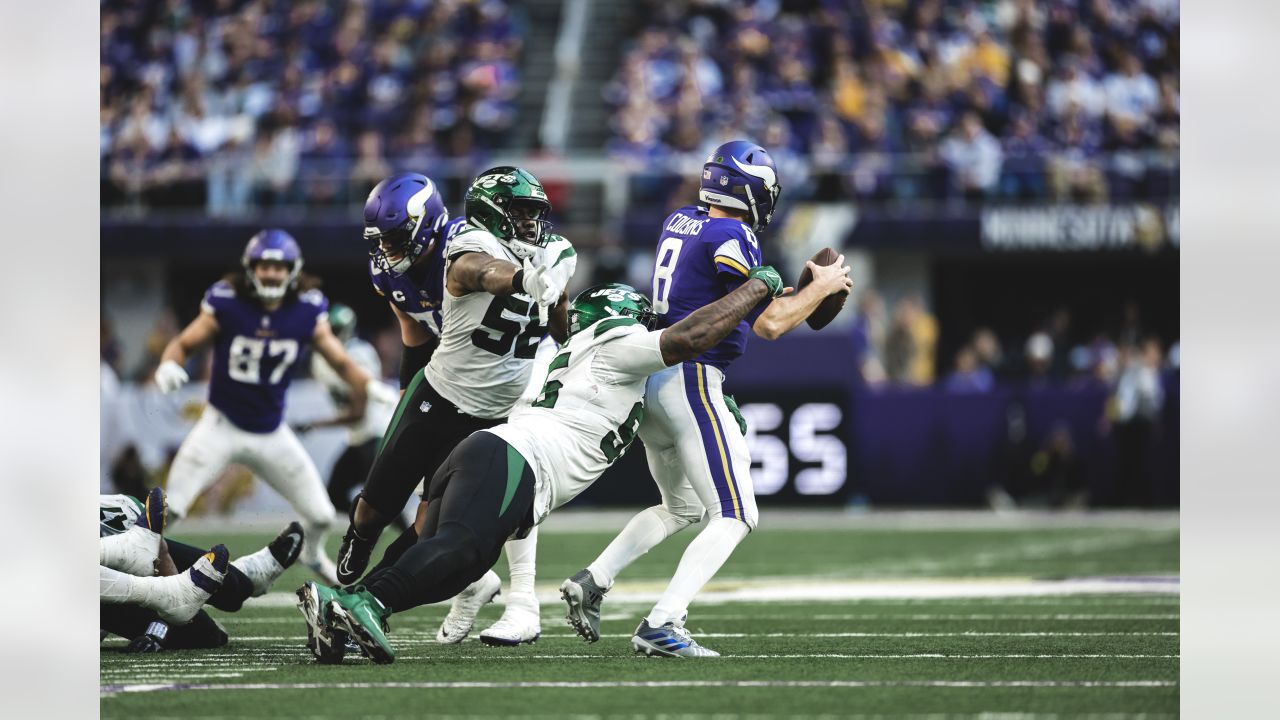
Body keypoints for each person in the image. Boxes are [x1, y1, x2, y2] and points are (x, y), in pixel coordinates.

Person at [298, 267, 847, 664]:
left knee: (456, 564)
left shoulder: (581, 355)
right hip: (515, 459)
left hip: (492, 453)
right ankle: (363, 600)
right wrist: (758, 287)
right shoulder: (617, 341)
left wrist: (712, 412)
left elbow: (663, 414)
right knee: (460, 550)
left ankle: (344, 611)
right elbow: (688, 338)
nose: (644, 319)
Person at [560, 140, 852, 657]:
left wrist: (798, 294)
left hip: (654, 378)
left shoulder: (683, 220)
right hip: (692, 377)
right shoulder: (733, 232)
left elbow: (740, 300)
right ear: (749, 192)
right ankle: (663, 622)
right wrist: (822, 287)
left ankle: (594, 579)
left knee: (683, 507)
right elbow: (770, 324)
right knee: (736, 513)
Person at [334, 169, 575, 649]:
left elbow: (561, 327)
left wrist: (558, 295)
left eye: (398, 238)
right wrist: (525, 277)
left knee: (430, 524)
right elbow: (466, 280)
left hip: (495, 410)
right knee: (373, 507)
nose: (389, 249)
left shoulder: (550, 252)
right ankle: (358, 541)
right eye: (519, 212)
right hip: (441, 391)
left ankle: (369, 598)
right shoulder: (461, 245)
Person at [153, 229, 377, 585]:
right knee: (171, 509)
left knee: (320, 516)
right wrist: (169, 363)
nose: (271, 273)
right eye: (264, 266)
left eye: (278, 266)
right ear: (250, 268)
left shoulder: (306, 308)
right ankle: (127, 565)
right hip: (220, 426)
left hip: (271, 431)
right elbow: (184, 343)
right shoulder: (227, 301)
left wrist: (369, 384)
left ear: (293, 270)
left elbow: (339, 360)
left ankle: (311, 553)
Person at [100, 487, 304, 652]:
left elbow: (162, 554)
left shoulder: (113, 512)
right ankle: (245, 576)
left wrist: (163, 623)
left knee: (228, 584)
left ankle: (247, 576)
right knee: (205, 633)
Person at [300, 304, 398, 521]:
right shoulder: (319, 360)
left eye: (335, 331)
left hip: (375, 434)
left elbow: (358, 412)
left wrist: (316, 424)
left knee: (377, 500)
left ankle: (403, 537)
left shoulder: (359, 354)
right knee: (335, 495)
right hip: (357, 438)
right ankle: (365, 529)